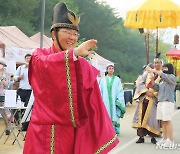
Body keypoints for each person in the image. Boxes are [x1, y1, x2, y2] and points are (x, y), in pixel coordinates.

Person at [23, 2, 119, 154]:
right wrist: (73, 55)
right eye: (68, 32)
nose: (72, 38)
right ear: (53, 34)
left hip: (70, 135)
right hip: (42, 134)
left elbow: (92, 104)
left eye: (75, 34)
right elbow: (45, 66)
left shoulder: (82, 65)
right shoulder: (39, 55)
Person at [132, 57, 162, 144]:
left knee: (152, 119)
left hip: (154, 99)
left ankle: (153, 137)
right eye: (155, 63)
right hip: (144, 98)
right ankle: (141, 137)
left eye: (159, 63)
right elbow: (141, 82)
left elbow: (163, 87)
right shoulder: (147, 73)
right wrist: (145, 92)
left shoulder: (162, 75)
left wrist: (155, 94)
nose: (157, 64)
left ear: (161, 64)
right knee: (141, 118)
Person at [147, 63, 176, 147]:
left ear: (169, 68)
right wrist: (152, 79)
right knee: (163, 121)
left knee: (167, 121)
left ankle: (170, 140)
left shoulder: (171, 77)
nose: (164, 69)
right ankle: (165, 139)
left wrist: (153, 70)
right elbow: (156, 87)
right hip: (161, 101)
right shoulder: (162, 80)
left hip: (168, 101)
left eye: (165, 67)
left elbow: (162, 74)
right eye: (163, 68)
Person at [99, 64, 126, 134]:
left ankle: (114, 130)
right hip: (105, 101)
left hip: (114, 101)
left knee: (114, 114)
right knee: (106, 114)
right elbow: (100, 91)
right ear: (107, 70)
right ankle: (106, 130)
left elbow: (120, 91)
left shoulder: (117, 80)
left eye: (112, 68)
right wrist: (100, 101)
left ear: (113, 70)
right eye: (109, 68)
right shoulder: (103, 80)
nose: (111, 70)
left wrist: (119, 100)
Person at [0, 58, 10, 135]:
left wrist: (1, 78)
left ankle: (7, 128)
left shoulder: (6, 74)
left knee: (4, 112)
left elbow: (6, 85)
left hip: (3, 94)